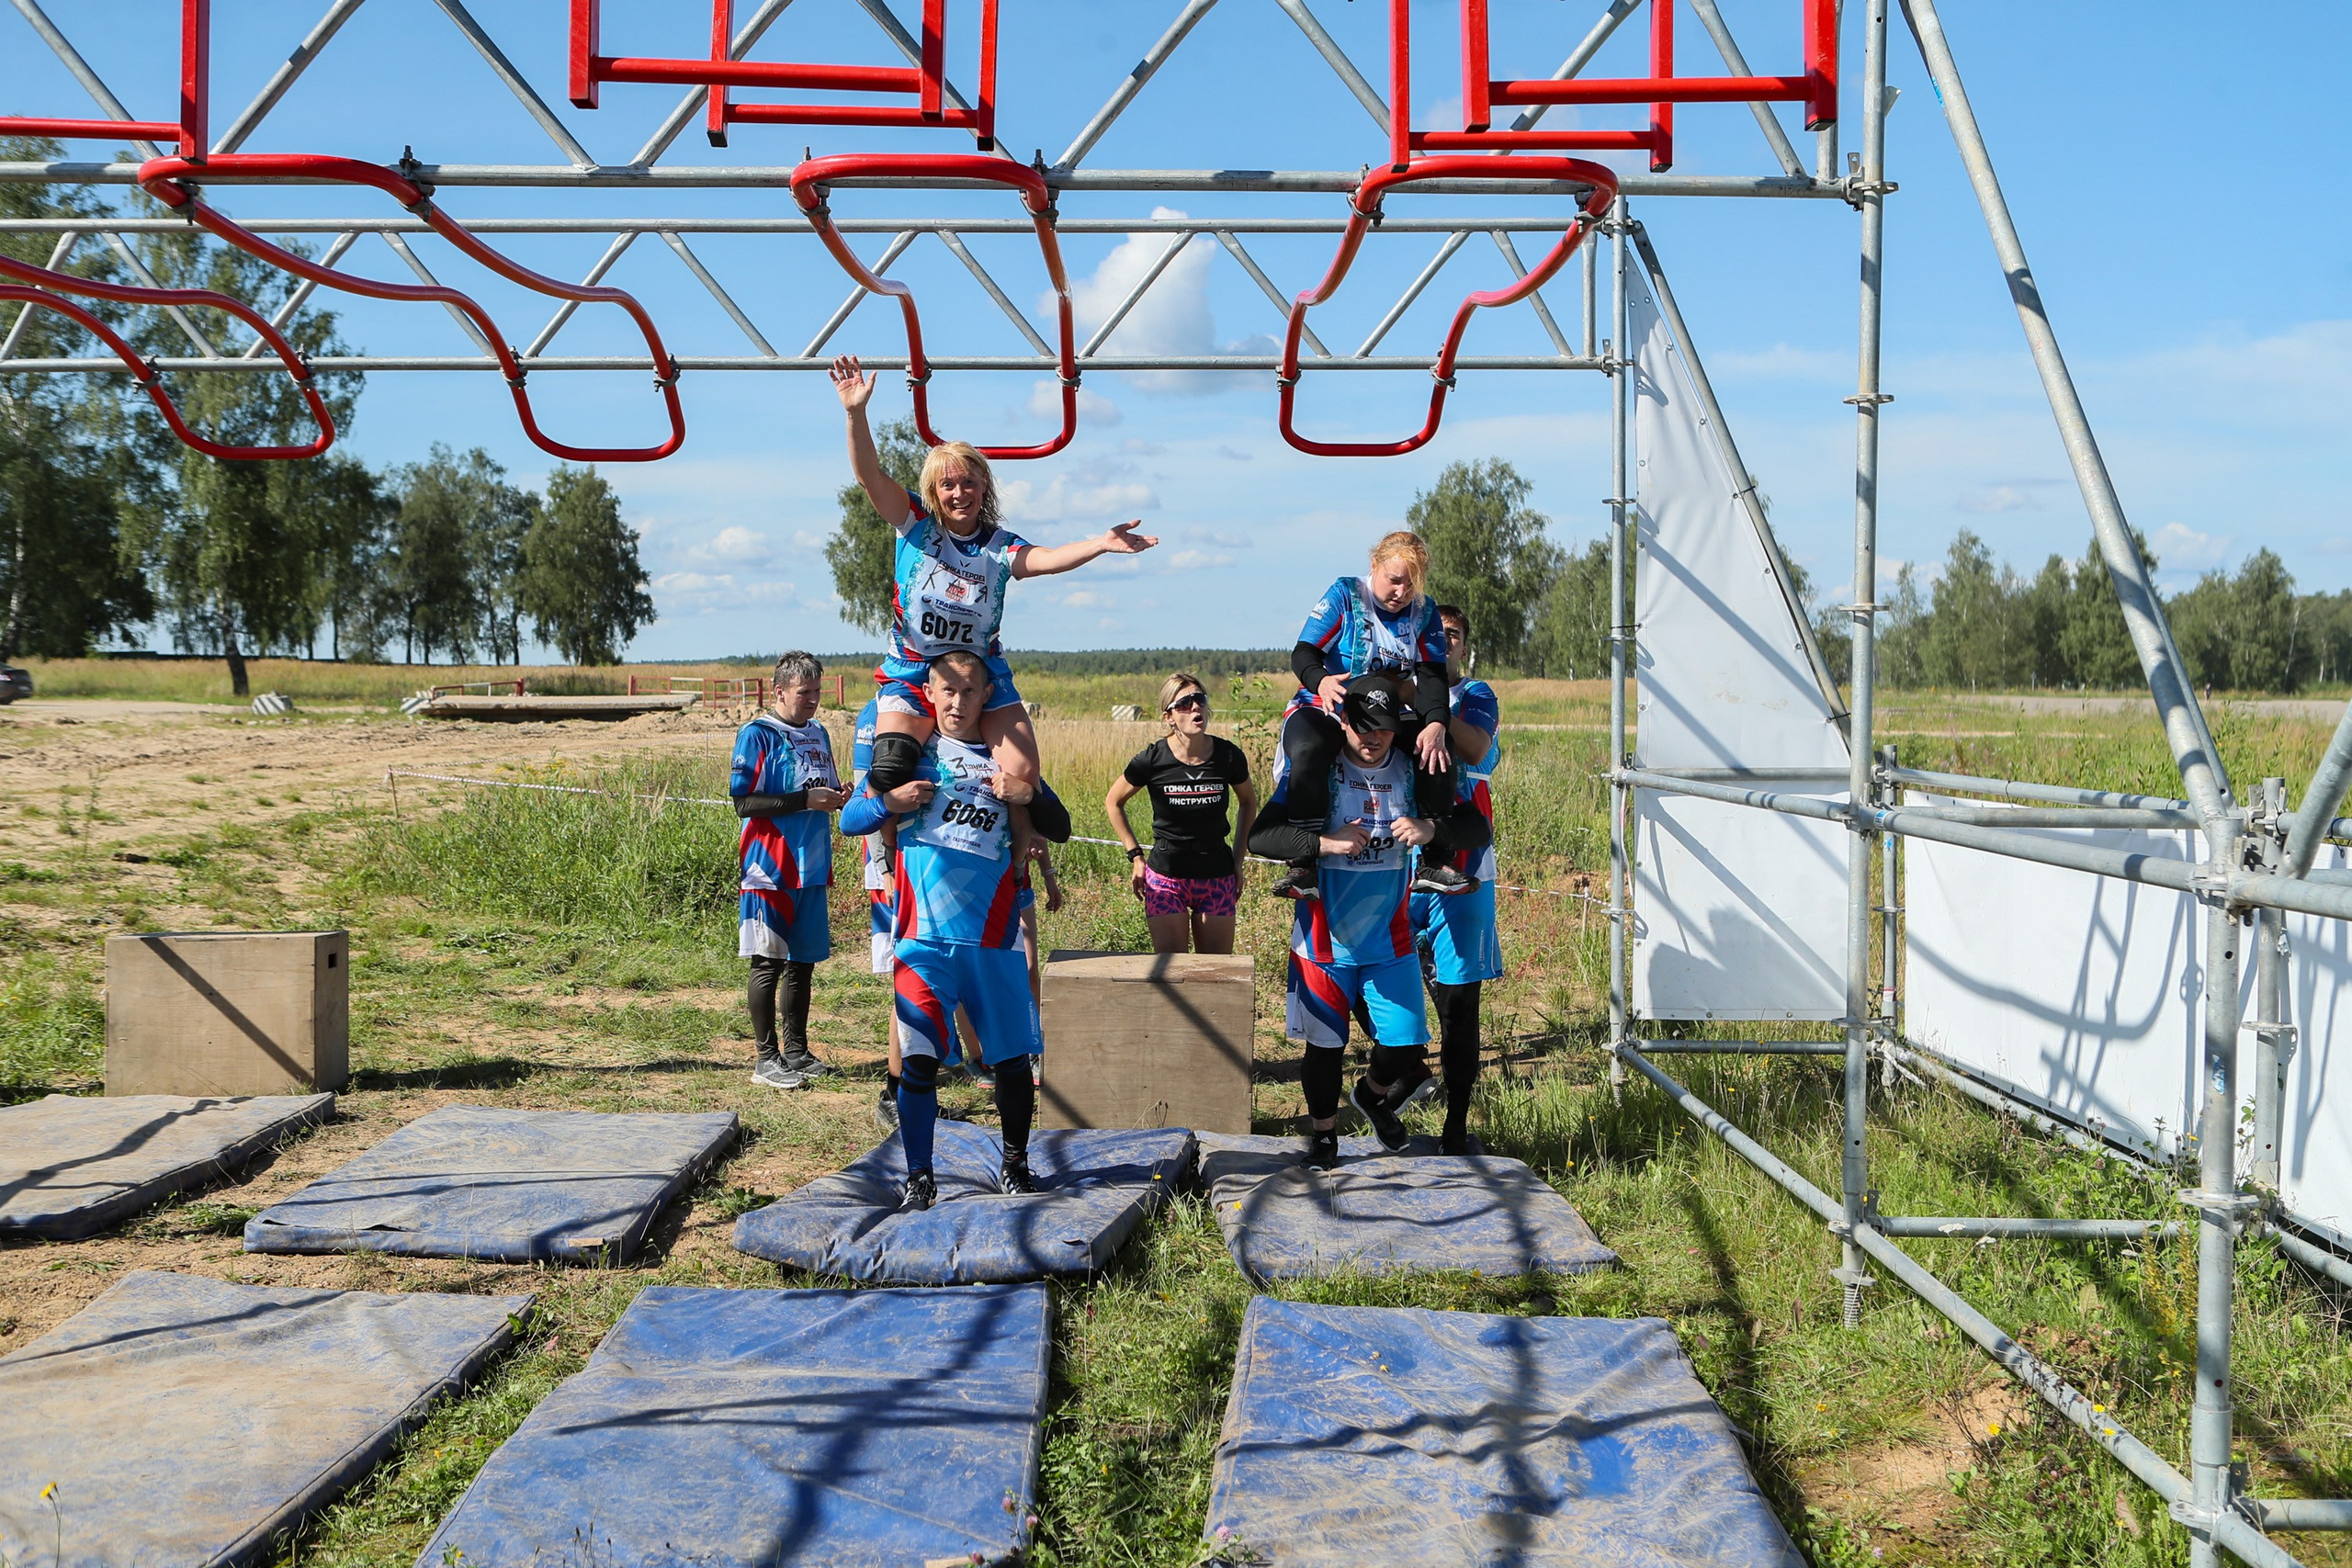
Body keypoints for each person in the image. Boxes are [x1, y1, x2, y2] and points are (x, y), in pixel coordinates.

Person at [828, 353, 1159, 836]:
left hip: (980, 671)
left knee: (1023, 775)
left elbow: (1045, 559)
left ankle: (1019, 863)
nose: (958, 493)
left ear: (984, 488)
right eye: (947, 485)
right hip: (914, 668)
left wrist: (1101, 544)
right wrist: (855, 412)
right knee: (892, 767)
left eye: (968, 483)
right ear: (933, 491)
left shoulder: (999, 546)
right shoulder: (914, 524)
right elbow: (869, 477)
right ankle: (896, 868)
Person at [1248, 681, 1491, 1168]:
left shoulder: (1414, 768)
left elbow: (1477, 827)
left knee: (1406, 1046)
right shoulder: (1319, 772)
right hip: (1323, 941)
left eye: (1382, 728)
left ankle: (1373, 1095)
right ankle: (1323, 1138)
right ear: (1343, 722)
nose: (1372, 737)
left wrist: (1432, 829)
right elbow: (1261, 837)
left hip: (1391, 938)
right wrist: (1323, 844)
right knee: (1325, 1049)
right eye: (1361, 727)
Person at [840, 649, 1047, 1211]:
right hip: (923, 939)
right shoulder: (908, 757)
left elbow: (1060, 821)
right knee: (919, 1063)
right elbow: (849, 819)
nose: (958, 702)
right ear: (928, 693)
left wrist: (1026, 795)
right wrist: (889, 799)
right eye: (947, 691)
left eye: (970, 691)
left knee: (1007, 1063)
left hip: (993, 940)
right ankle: (919, 1178)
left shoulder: (1006, 760)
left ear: (987, 697)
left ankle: (1015, 1164)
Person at [1274, 531, 1472, 900]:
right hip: (1329, 705)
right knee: (1309, 747)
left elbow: (1430, 678)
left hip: (1383, 714)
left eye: (1410, 586)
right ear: (1374, 566)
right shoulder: (1347, 595)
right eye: (1394, 581)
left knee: (1438, 747)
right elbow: (1303, 653)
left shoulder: (1425, 612)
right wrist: (1321, 682)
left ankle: (1433, 858)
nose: (1401, 593)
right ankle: (1304, 862)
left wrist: (1435, 724)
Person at [731, 651, 848, 1089]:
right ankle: (766, 1059)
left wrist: (838, 796)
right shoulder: (757, 734)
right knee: (768, 963)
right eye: (805, 693)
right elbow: (744, 802)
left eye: (818, 691)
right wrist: (804, 801)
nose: (814, 700)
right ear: (779, 691)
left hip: (813, 866)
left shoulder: (819, 732)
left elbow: (821, 790)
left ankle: (796, 1050)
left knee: (803, 964)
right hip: (769, 868)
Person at [1411, 604, 1504, 1155]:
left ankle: (1455, 1124)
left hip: (1466, 867)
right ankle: (1405, 1076)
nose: (1443, 641)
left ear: (1463, 645)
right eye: (1433, 634)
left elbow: (1472, 748)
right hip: (1399, 862)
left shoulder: (1476, 694)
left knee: (1458, 1001)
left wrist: (1429, 705)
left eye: (1452, 635)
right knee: (1375, 979)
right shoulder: (1403, 685)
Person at [1104, 672, 1256, 954]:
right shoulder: (1152, 759)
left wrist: (1238, 861)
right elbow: (1113, 802)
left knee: (1215, 976)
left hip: (1216, 876)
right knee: (1174, 973)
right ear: (1169, 717)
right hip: (1166, 877)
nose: (1196, 708)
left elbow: (1248, 802)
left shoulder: (1228, 756)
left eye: (1200, 700)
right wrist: (1135, 856)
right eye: (1185, 703)